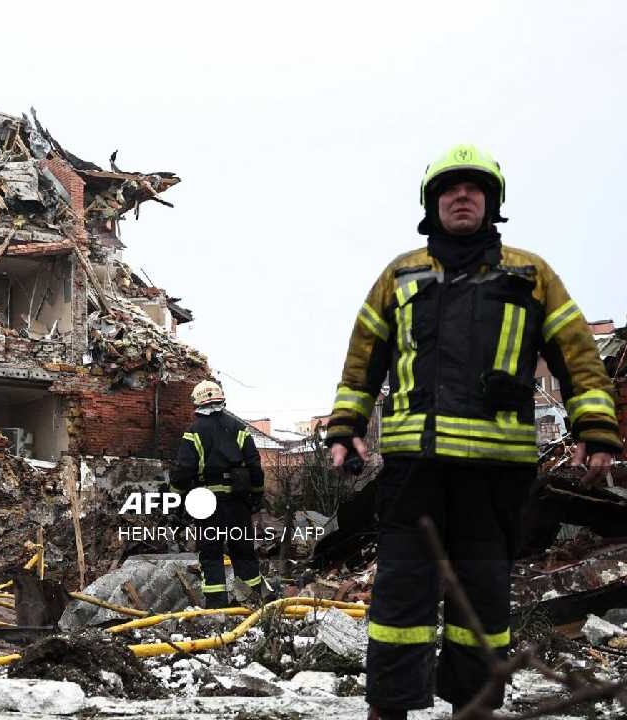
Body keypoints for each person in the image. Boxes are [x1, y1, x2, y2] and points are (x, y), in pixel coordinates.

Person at [324, 144, 621, 719]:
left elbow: (579, 358)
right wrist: (345, 427)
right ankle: (390, 709)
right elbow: (363, 358)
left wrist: (595, 429)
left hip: (496, 476)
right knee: (399, 602)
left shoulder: (532, 275)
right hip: (415, 472)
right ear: (432, 204)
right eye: (450, 189)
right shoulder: (400, 275)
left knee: (481, 603)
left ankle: (474, 708)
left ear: (492, 202)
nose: (462, 196)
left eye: (474, 189)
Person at [172, 380, 275, 607]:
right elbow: (254, 465)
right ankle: (254, 604)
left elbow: (183, 471)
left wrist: (175, 498)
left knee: (210, 554)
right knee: (243, 552)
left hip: (206, 504)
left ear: (197, 403)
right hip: (238, 502)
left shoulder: (194, 432)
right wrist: (256, 496)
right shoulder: (240, 429)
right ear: (221, 400)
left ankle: (217, 607)